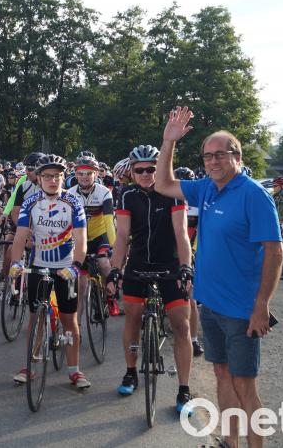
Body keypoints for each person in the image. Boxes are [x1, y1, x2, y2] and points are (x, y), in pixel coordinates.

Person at [156, 106, 283, 448]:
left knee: (245, 385)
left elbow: (275, 252)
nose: (212, 161)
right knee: (221, 374)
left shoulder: (254, 195)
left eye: (220, 155)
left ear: (236, 156)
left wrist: (261, 306)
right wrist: (168, 142)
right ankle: (230, 442)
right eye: (207, 156)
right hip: (210, 305)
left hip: (242, 310)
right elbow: (163, 183)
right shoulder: (207, 189)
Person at [108, 144, 195, 415]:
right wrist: (115, 269)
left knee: (181, 325)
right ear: (132, 172)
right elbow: (122, 236)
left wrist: (186, 267)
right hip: (138, 264)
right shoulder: (126, 195)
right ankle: (131, 372)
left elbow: (182, 234)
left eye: (151, 169)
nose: (146, 174)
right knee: (132, 317)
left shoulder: (174, 192)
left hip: (170, 264)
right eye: (140, 170)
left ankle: (183, 390)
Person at [9, 154, 91, 389]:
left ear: (63, 177)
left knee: (69, 319)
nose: (52, 180)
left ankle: (74, 370)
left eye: (57, 176)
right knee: (35, 317)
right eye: (47, 176)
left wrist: (76, 266)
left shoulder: (73, 202)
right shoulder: (31, 202)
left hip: (66, 267)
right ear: (39, 178)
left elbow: (81, 239)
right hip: (38, 265)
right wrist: (16, 262)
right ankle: (30, 365)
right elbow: (21, 235)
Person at [68, 155, 116, 316]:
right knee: (80, 286)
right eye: (81, 173)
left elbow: (109, 221)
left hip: (99, 236)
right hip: (79, 240)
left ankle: (110, 296)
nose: (85, 177)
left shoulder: (104, 193)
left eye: (89, 173)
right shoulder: (69, 194)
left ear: (96, 174)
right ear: (75, 174)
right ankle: (78, 327)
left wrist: (114, 246)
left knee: (104, 264)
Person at [175, 166, 205, 357]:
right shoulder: (170, 200)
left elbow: (203, 232)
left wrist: (195, 253)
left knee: (190, 297)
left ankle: (193, 339)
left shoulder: (199, 203)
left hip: (191, 250)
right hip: (170, 250)